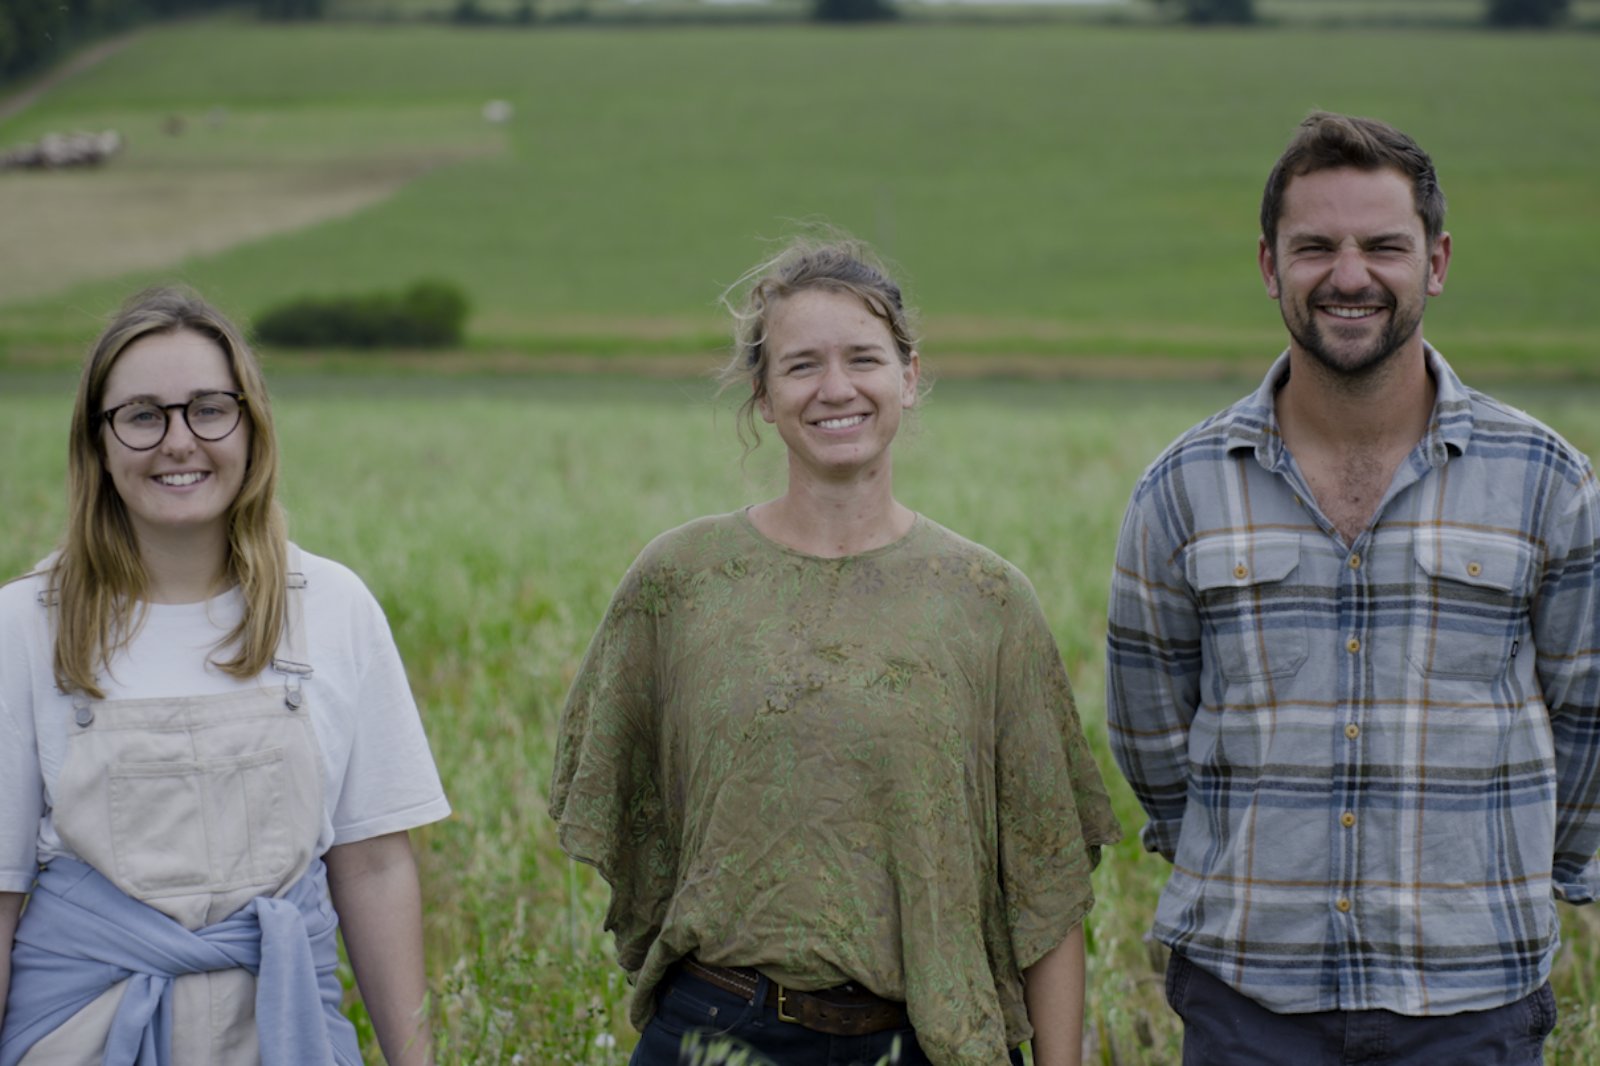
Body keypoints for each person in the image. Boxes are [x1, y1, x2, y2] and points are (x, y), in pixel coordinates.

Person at [549, 236, 1120, 1066]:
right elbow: (632, 826)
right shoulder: (678, 582)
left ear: (909, 377)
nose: (837, 389)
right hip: (715, 1032)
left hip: (923, 1040)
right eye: (802, 366)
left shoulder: (987, 600)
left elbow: (1048, 887)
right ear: (763, 394)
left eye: (864, 358)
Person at [1106, 111, 1600, 1064]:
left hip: (1472, 1002)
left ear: (1437, 261)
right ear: (1267, 265)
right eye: (1315, 247)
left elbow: (1590, 712)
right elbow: (1148, 728)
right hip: (1248, 1000)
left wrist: (1528, 873)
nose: (1349, 275)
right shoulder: (1183, 486)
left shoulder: (1548, 481)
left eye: (1383, 245)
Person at [0, 286, 451, 1065]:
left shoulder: (334, 609)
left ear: (251, 426)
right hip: (82, 1036)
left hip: (284, 1033)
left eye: (209, 408)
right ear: (99, 443)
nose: (179, 441)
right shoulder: (23, 625)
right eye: (142, 415)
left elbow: (374, 867)